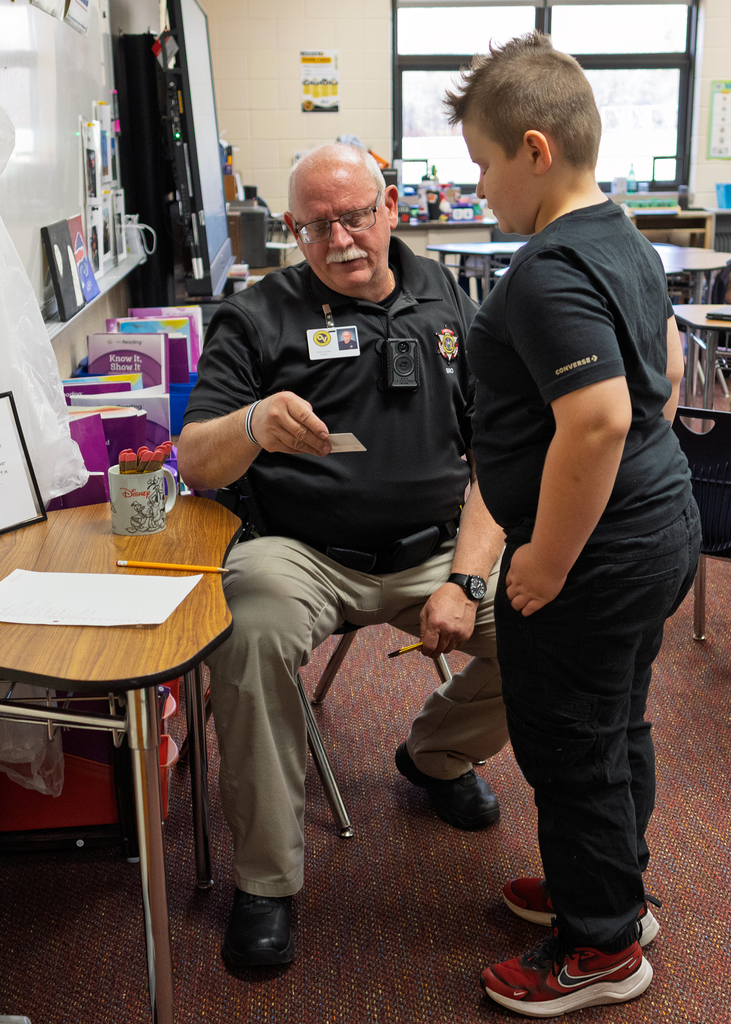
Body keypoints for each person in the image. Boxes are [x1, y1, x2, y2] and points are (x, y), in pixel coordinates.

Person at [177, 143, 508, 968]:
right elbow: (194, 462)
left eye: (355, 215)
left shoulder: (450, 298)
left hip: (435, 547)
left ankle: (433, 753)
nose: (341, 239)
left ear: (390, 205)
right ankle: (265, 881)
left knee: (556, 620)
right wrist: (251, 425)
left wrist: (468, 577)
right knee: (247, 632)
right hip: (300, 552)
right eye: (315, 225)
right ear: (292, 230)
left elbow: (496, 458)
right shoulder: (255, 315)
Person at [444, 32, 700, 1018]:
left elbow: (593, 418)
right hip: (653, 522)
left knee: (569, 743)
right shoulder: (617, 232)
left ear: (534, 150)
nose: (476, 186)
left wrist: (544, 559)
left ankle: (599, 947)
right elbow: (664, 372)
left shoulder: (549, 268)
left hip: (592, 556)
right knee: (613, 721)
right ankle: (611, 891)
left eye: (481, 162)